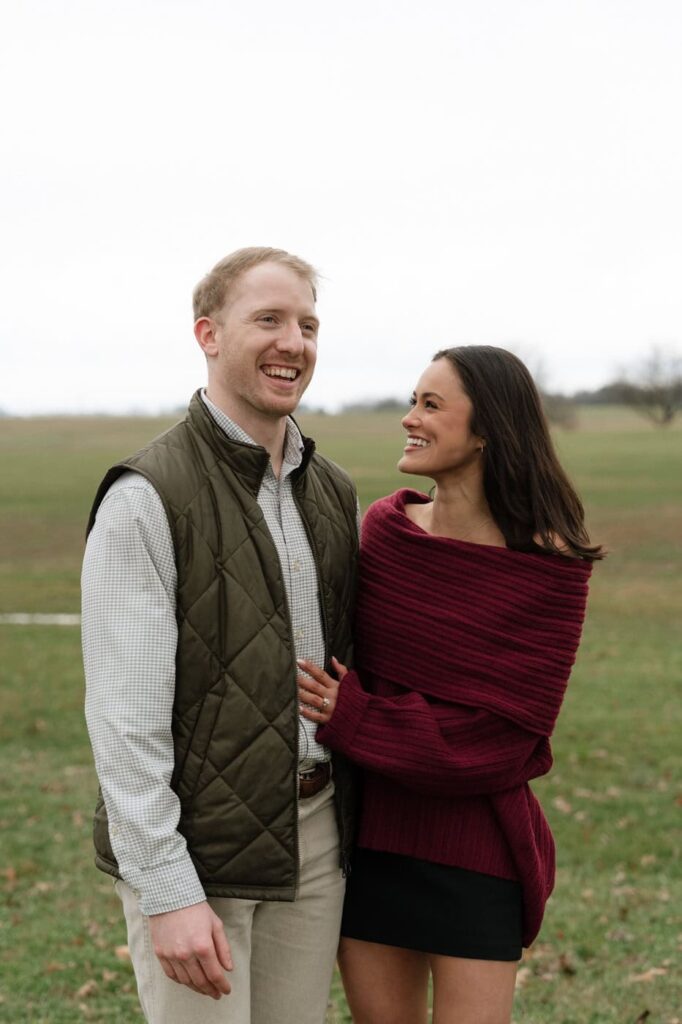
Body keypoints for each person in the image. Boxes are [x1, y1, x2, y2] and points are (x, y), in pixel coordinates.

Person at [81, 247, 359, 1024]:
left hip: (314, 841)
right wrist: (167, 891)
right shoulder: (146, 496)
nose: (293, 343)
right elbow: (124, 718)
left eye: (307, 324)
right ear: (208, 333)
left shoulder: (332, 491)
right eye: (267, 319)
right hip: (196, 850)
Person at [297, 346, 602, 1024]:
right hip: (373, 842)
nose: (410, 418)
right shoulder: (384, 533)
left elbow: (500, 742)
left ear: (487, 427)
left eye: (431, 405)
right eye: (413, 400)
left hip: (477, 854)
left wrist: (359, 719)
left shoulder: (550, 569)